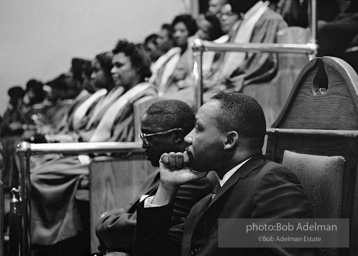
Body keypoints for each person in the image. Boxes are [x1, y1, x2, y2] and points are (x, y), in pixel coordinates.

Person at [134, 92, 313, 256]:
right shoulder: (209, 197)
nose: (188, 138)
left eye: (198, 128)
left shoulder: (272, 183)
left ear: (229, 140)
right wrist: (166, 188)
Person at [30, 40, 157, 255]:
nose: (113, 71)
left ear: (136, 66)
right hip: (94, 153)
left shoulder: (143, 97)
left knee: (39, 176)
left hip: (109, 161)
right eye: (113, 66)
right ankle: (50, 237)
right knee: (38, 166)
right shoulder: (118, 93)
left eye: (120, 66)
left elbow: (125, 143)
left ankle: (56, 241)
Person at [95, 99, 218, 255]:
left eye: (199, 130)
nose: (190, 138)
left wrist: (107, 218)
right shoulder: (171, 171)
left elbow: (139, 232)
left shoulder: (196, 179)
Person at [203, 0, 287, 101]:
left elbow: (260, 63)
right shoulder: (242, 21)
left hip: (251, 88)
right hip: (229, 84)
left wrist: (229, 83)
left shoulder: (269, 19)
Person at [149, 14, 197, 107]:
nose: (177, 35)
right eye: (175, 31)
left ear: (190, 32)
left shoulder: (194, 52)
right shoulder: (174, 53)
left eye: (182, 31)